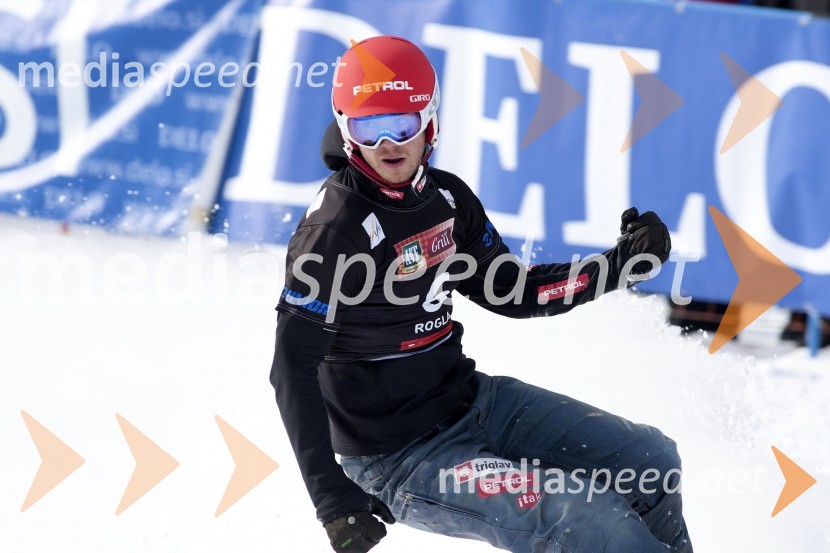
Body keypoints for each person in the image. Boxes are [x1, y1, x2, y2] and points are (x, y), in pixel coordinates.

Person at [270, 36, 692, 553]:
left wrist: (618, 264)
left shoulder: (446, 198)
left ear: (430, 121)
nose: (386, 144)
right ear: (344, 130)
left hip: (474, 403)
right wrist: (331, 498)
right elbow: (291, 367)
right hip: (400, 457)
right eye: (366, 128)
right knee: (587, 518)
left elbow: (513, 290)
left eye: (401, 124)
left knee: (651, 462)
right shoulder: (334, 231)